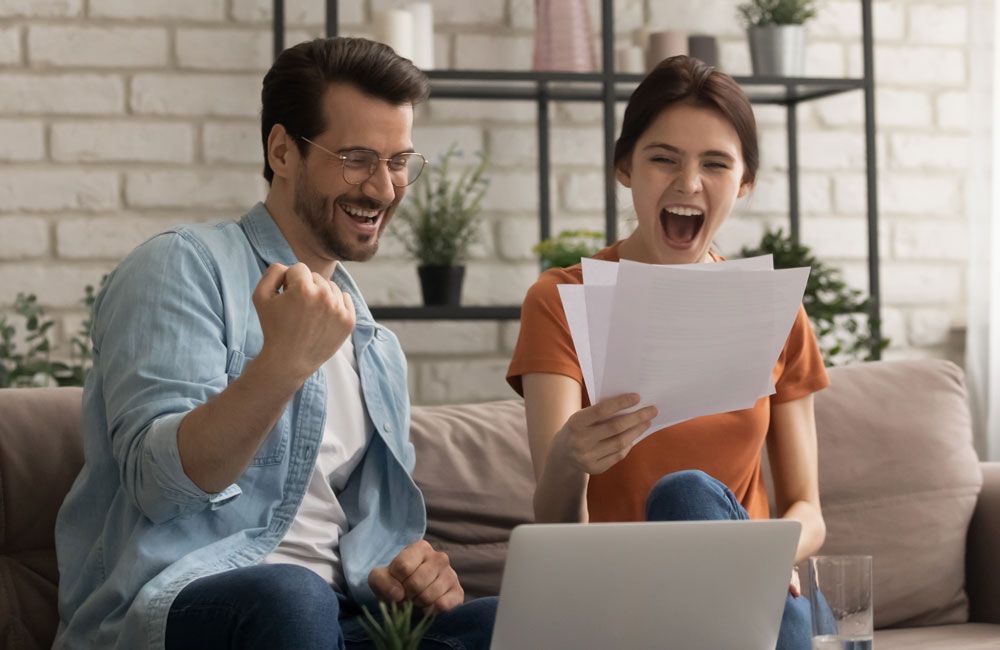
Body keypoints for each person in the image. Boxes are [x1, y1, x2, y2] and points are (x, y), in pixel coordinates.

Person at [54, 37, 496, 650]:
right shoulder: (182, 266)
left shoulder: (375, 345)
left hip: (339, 616)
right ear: (283, 150)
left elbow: (365, 532)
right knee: (290, 594)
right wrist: (282, 364)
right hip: (188, 604)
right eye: (357, 157)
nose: (384, 188)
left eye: (398, 161)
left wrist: (412, 569)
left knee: (502, 618)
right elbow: (161, 486)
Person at [506, 55, 830, 650]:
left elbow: (808, 507)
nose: (688, 184)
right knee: (682, 496)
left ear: (744, 182)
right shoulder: (561, 300)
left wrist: (764, 555)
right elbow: (557, 526)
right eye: (664, 159)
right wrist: (568, 457)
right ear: (626, 167)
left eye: (716, 164)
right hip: (627, 598)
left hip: (759, 589)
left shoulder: (775, 308)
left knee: (690, 496)